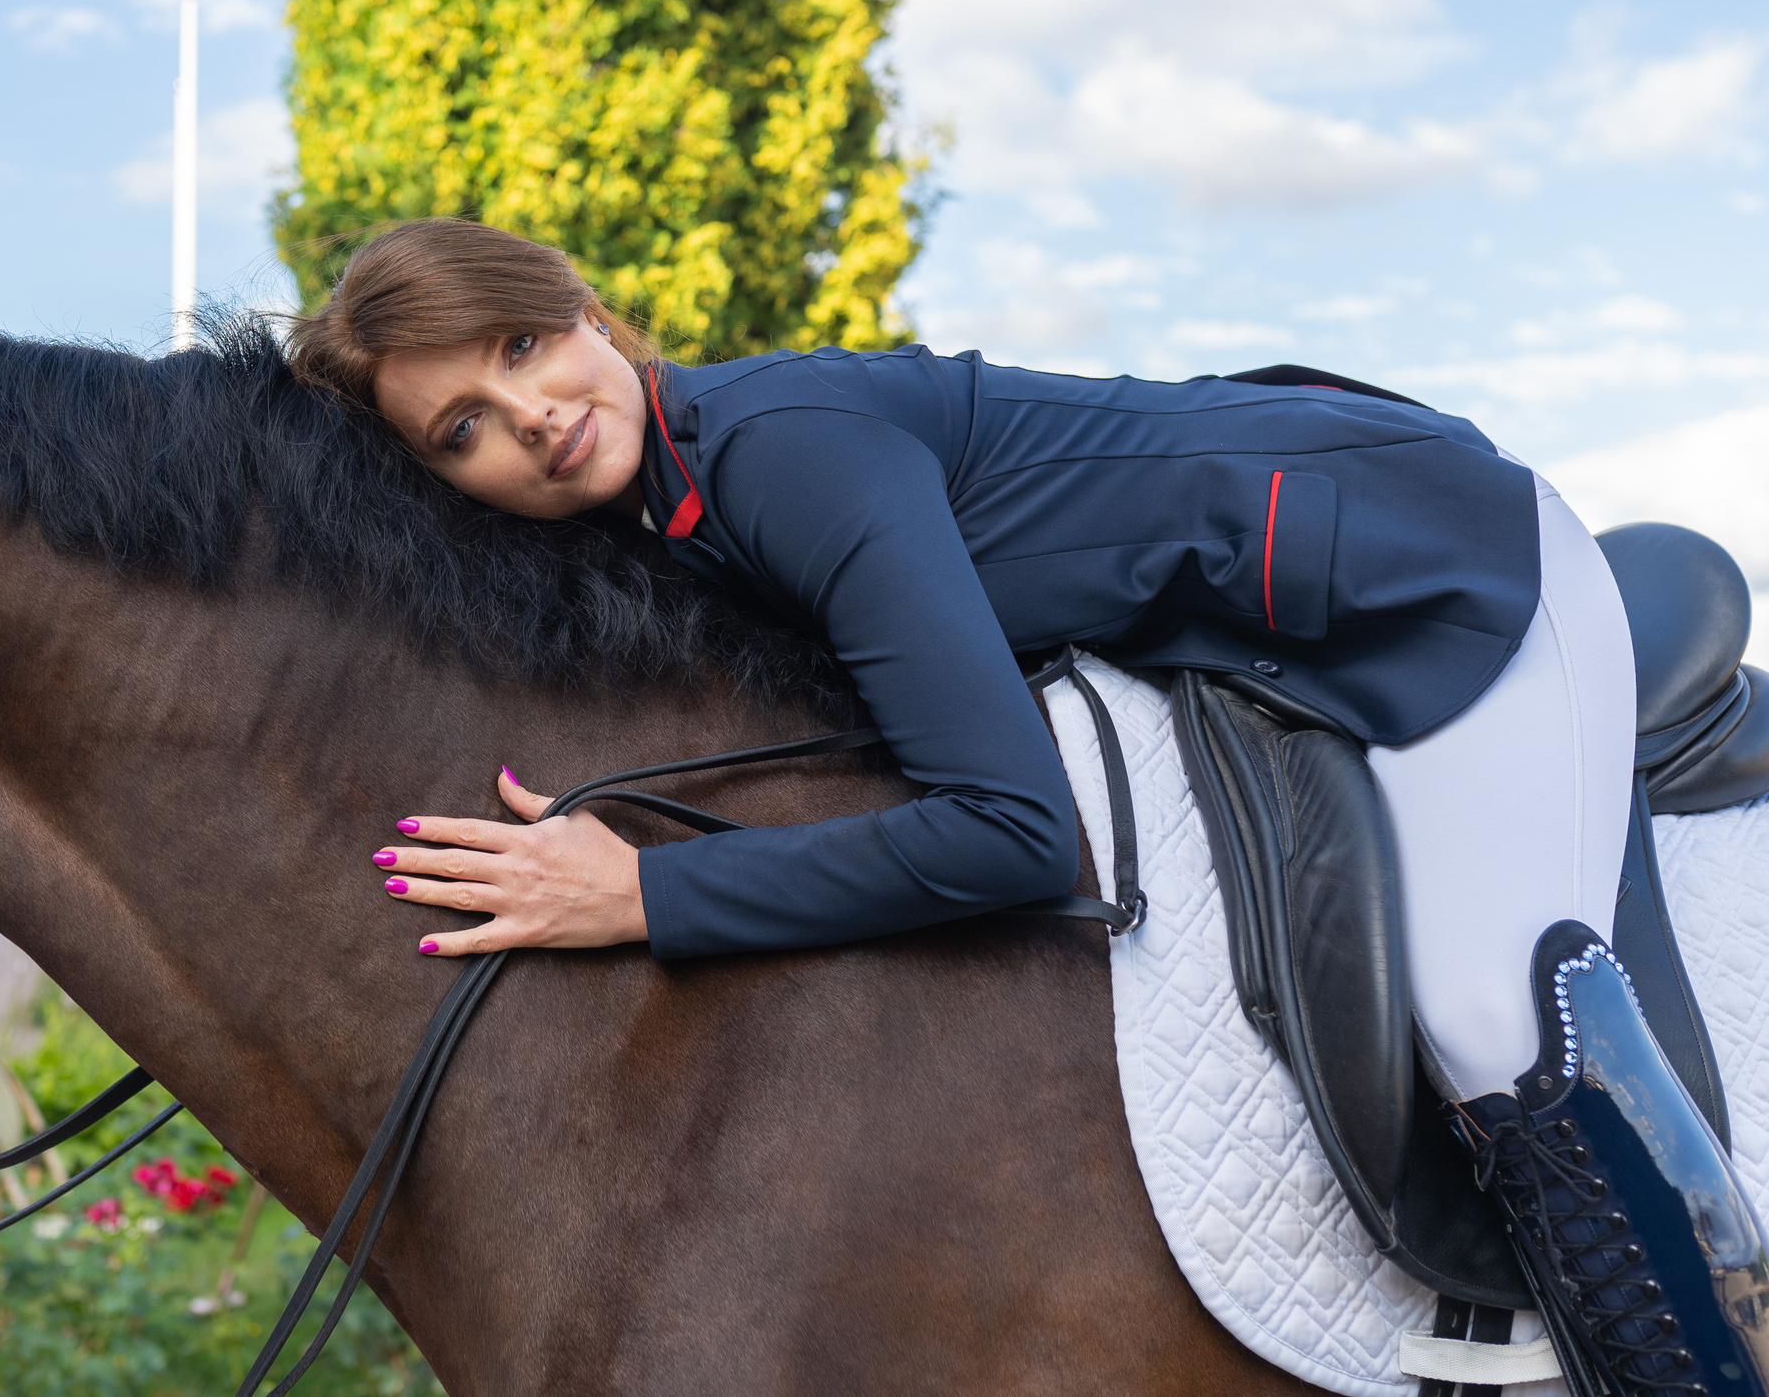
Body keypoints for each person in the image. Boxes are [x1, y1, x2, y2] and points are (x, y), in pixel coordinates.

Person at [287, 218, 1767, 1396]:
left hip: (1442, 575)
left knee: (1496, 1014)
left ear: (587, 313)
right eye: (464, 427)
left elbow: (1013, 833)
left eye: (525, 345)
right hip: (1292, 606)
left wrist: (643, 894)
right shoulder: (668, 512)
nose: (532, 414)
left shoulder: (778, 451)